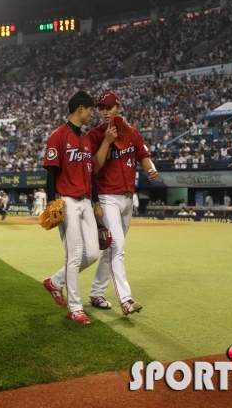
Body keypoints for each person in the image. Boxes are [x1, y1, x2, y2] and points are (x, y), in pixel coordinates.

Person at [42, 90, 112, 325]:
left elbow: (91, 172)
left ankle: (54, 282)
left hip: (85, 201)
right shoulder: (58, 136)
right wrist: (51, 201)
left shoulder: (84, 139)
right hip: (68, 201)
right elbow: (51, 171)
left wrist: (96, 202)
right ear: (80, 109)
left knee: (92, 253)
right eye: (91, 109)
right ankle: (75, 308)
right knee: (74, 255)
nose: (93, 113)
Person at [88, 90, 159, 316]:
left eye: (108, 107)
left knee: (111, 250)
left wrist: (151, 169)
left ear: (119, 107)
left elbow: (143, 157)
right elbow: (94, 168)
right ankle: (126, 300)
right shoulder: (95, 135)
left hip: (128, 198)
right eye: (101, 108)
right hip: (107, 197)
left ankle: (96, 293)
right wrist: (107, 142)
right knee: (117, 247)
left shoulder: (133, 134)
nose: (104, 112)